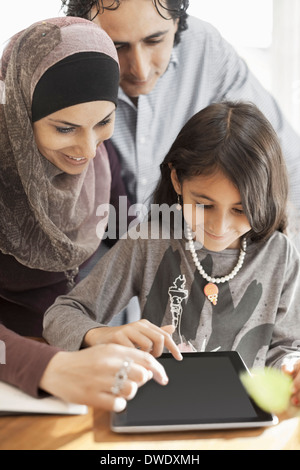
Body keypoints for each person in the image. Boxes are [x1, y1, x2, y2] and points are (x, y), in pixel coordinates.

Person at [44, 101, 300, 407]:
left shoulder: (280, 254)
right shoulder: (150, 240)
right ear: (177, 180)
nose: (219, 226)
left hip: (246, 416)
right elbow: (59, 317)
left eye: (241, 210)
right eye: (204, 204)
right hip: (159, 407)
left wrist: (291, 369)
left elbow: (286, 349)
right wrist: (102, 335)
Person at [0, 17, 176, 411]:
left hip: (79, 351)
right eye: (64, 128)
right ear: (20, 114)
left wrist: (93, 333)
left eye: (103, 122)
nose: (88, 148)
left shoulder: (102, 160)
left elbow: (131, 240)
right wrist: (52, 368)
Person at [61, 0, 300, 222]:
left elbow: (288, 163)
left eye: (154, 41)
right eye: (117, 46)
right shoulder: (62, 64)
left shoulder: (206, 50)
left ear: (176, 22)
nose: (141, 71)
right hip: (99, 245)